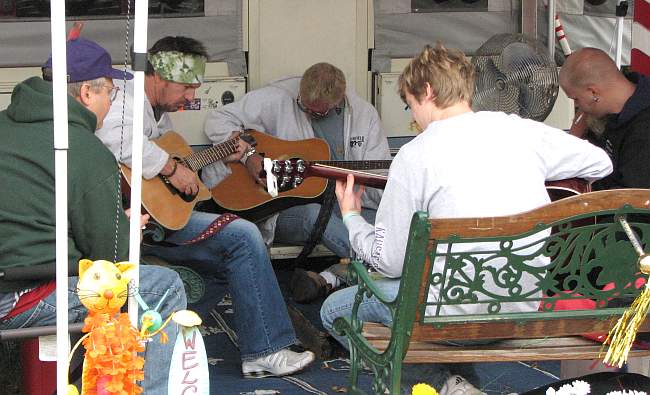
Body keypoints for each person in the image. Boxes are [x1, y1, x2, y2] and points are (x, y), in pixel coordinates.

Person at [320, 44, 613, 395]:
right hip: (520, 304)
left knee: (335, 309)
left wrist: (352, 217)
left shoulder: (414, 155)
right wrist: (548, 184)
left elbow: (390, 261)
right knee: (434, 294)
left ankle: (446, 383)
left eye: (410, 103)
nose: (413, 114)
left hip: (448, 317)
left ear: (426, 92)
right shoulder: (520, 130)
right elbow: (600, 164)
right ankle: (458, 384)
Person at [95, 36, 314, 377]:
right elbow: (116, 138)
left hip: (157, 218)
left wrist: (219, 159)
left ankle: (165, 336)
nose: (191, 98)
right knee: (242, 236)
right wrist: (170, 168)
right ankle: (266, 348)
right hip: (125, 221)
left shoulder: (160, 120)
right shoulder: (124, 100)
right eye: (186, 87)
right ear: (160, 78)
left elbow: (188, 189)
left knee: (230, 258)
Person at [0, 37, 187, 393]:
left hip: (11, 277)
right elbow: (109, 260)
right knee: (164, 286)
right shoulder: (85, 151)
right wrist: (129, 229)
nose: (111, 104)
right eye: (111, 94)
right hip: (24, 293)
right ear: (87, 93)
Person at [203, 63, 392, 301]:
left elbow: (380, 180)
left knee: (387, 225)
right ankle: (386, 270)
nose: (310, 113)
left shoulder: (364, 115)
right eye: (304, 106)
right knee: (314, 214)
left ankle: (335, 275)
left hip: (342, 205)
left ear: (339, 101)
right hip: (286, 211)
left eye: (319, 112)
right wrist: (249, 156)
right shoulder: (278, 98)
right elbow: (217, 120)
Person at [559, 47, 650, 189]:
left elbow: (632, 199)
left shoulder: (643, 131)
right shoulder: (610, 108)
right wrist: (575, 139)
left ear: (593, 92)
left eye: (576, 99)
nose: (577, 106)